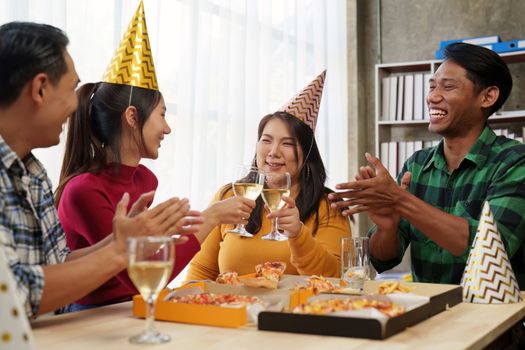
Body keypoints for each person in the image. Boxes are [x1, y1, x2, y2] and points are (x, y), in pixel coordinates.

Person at [0, 21, 196, 319]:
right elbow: (14, 294)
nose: (75, 106)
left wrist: (120, 243)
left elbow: (57, 263)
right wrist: (120, 251)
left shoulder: (33, 174)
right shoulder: (80, 186)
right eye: (71, 89)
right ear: (40, 88)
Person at [329, 43, 525, 288]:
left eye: (448, 86)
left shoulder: (515, 161)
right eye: (432, 86)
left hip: (494, 317)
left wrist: (400, 201)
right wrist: (387, 228)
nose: (432, 97)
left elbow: (493, 249)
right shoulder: (417, 164)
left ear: (488, 96)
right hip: (430, 314)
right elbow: (382, 259)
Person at [54, 3, 206, 312]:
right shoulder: (83, 190)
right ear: (132, 117)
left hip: (130, 309)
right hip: (88, 319)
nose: (167, 127)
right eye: (162, 115)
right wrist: (210, 221)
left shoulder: (146, 179)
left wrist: (169, 234)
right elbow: (137, 273)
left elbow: (144, 257)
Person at [186, 71, 352, 281]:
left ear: (306, 153)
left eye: (287, 143)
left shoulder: (329, 206)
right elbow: (202, 271)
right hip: (231, 310)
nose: (273, 152)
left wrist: (298, 235)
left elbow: (334, 278)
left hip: (296, 313)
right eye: (266, 140)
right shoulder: (228, 195)